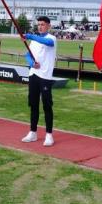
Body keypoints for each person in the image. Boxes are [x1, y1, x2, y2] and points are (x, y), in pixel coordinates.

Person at [21, 16, 58, 147]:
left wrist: (30, 36)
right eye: (39, 25)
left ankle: (49, 135)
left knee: (47, 105)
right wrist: (32, 63)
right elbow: (28, 55)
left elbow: (47, 43)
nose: (40, 26)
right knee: (33, 104)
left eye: (43, 24)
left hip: (45, 77)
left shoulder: (51, 38)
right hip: (34, 75)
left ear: (49, 26)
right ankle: (33, 132)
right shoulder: (35, 41)